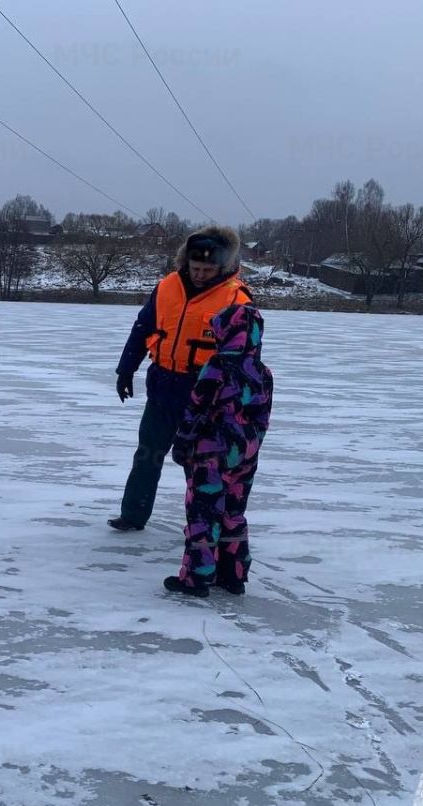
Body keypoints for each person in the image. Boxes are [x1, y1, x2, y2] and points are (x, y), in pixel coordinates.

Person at [109, 225, 250, 532]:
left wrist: (238, 400)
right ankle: (133, 515)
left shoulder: (235, 299)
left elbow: (245, 358)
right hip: (163, 388)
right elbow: (142, 329)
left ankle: (202, 528)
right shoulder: (166, 286)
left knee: (201, 468)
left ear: (222, 266)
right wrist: (125, 369)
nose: (200, 274)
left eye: (207, 269)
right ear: (186, 262)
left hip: (206, 398)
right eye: (195, 267)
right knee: (147, 455)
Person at [165, 303, 273, 598]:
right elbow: (263, 420)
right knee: (234, 513)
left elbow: (197, 408)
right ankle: (233, 574)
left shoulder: (218, 366)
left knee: (203, 512)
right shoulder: (263, 373)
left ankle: (196, 577)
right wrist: (250, 448)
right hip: (246, 454)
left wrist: (183, 443)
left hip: (211, 453)